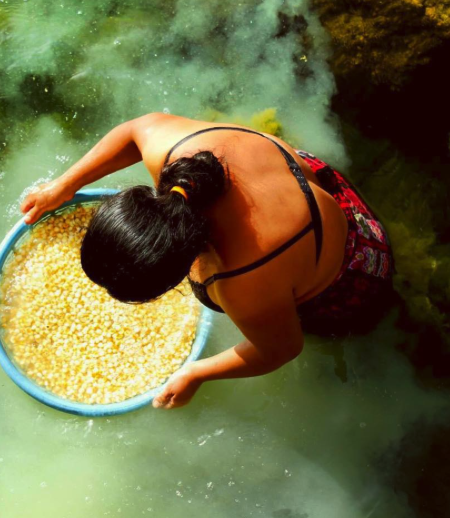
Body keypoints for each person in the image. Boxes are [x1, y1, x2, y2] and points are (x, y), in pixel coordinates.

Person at [20, 113, 394, 410]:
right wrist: (63, 185)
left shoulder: (242, 284)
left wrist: (196, 374)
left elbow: (282, 349)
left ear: (185, 264)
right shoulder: (177, 153)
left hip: (351, 266)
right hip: (305, 183)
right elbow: (134, 130)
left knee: (356, 325)